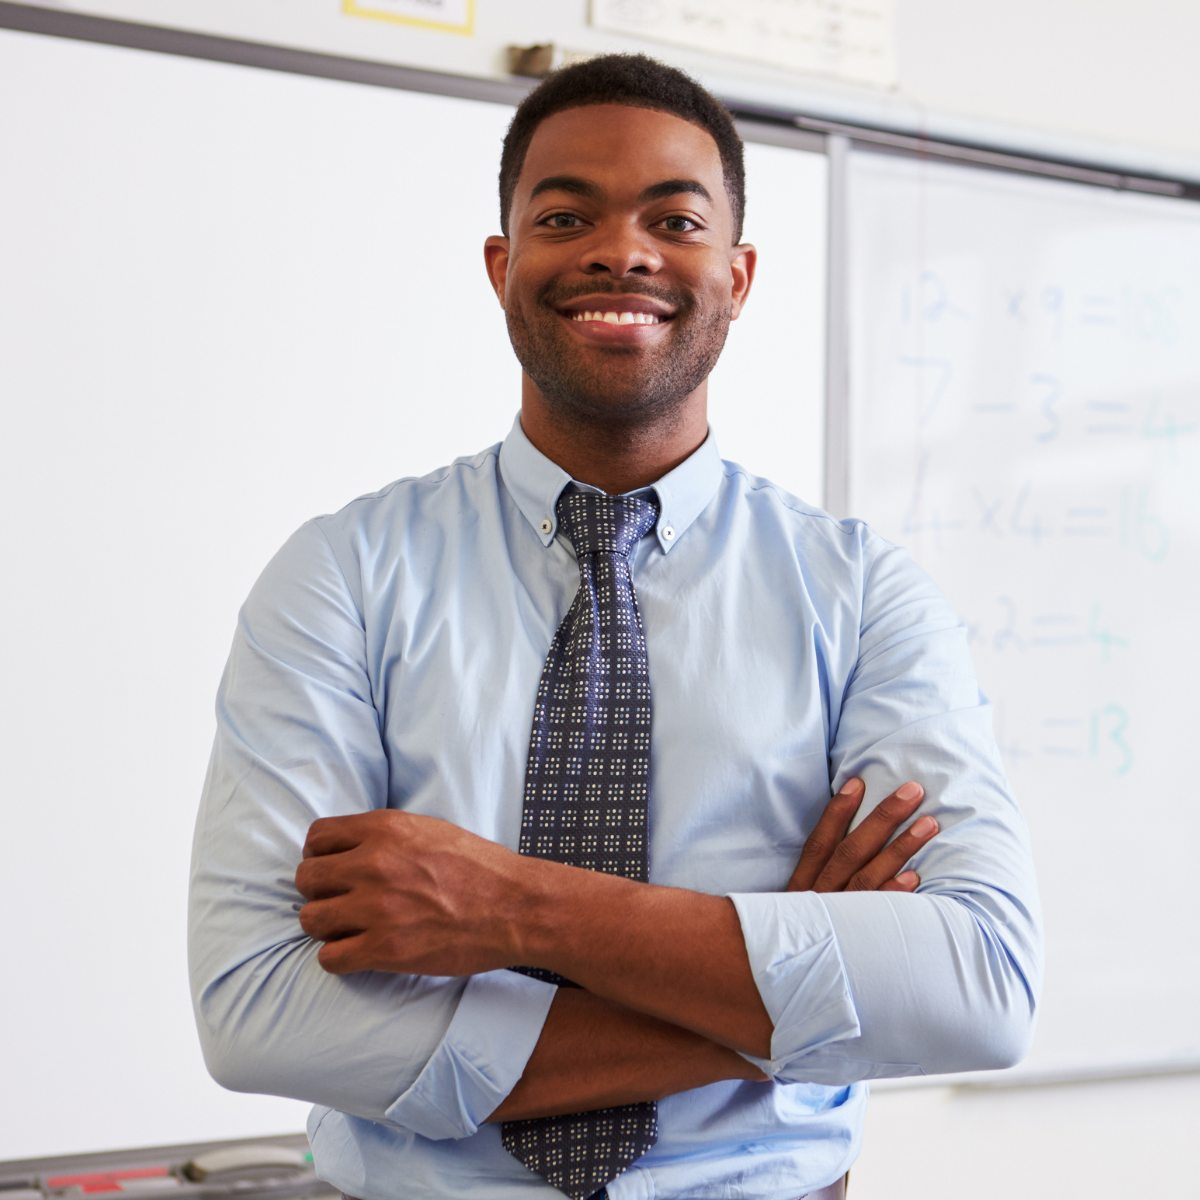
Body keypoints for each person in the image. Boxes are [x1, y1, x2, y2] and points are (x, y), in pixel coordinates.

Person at [189, 54, 1041, 1200]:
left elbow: (980, 986)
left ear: (737, 276)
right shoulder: (342, 575)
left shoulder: (864, 598)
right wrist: (784, 983)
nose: (622, 252)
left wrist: (509, 908)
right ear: (503, 267)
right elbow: (257, 1011)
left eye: (674, 220)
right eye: (565, 216)